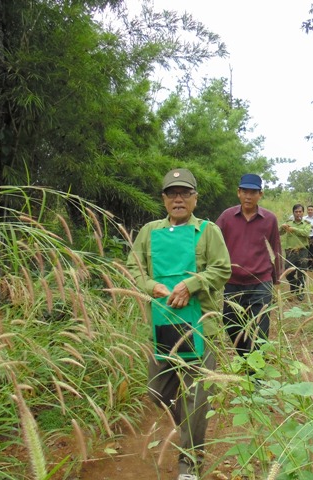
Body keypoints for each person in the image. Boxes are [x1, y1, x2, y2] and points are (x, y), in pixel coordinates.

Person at [126, 168, 231, 480]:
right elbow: (133, 268)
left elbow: (222, 269)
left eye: (185, 193)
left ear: (195, 198)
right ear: (164, 199)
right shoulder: (149, 232)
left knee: (196, 399)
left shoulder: (208, 231)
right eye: (172, 193)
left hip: (200, 326)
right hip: (161, 326)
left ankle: (190, 464)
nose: (179, 199)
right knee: (157, 391)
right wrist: (150, 286)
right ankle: (188, 426)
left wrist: (192, 285)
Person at [216, 174, 283, 356]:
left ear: (260, 194)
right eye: (244, 191)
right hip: (232, 282)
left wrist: (276, 280)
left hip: (261, 282)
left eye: (253, 192)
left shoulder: (269, 219)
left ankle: (256, 373)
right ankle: (246, 358)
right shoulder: (227, 217)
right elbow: (213, 243)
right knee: (231, 323)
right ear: (238, 193)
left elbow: (275, 248)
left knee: (259, 328)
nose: (248, 196)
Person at [280, 204, 311, 300]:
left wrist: (293, 229)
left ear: (303, 212)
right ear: (293, 213)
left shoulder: (306, 223)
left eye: (300, 211)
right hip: (291, 251)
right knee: (288, 271)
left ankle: (300, 292)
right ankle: (294, 283)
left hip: (303, 251)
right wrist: (282, 227)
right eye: (296, 212)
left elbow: (306, 233)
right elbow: (279, 233)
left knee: (301, 272)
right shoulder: (289, 222)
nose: (298, 213)